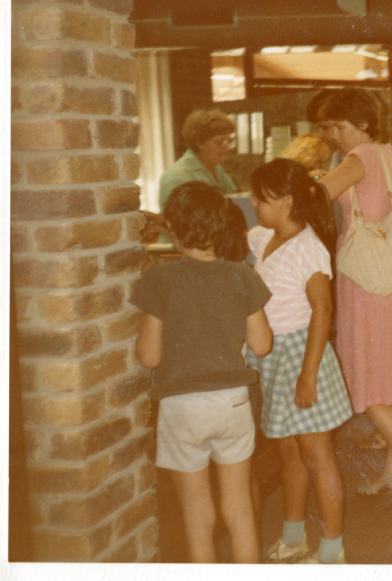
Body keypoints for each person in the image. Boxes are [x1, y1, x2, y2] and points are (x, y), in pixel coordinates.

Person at [131, 181, 273, 563]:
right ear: (223, 228)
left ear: (172, 229)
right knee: (240, 510)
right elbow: (262, 345)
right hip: (232, 404)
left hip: (182, 407)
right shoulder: (243, 275)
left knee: (197, 516)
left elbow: (149, 356)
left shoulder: (159, 279)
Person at [314, 87, 392, 497]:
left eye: (340, 126)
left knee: (367, 387)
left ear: (362, 124)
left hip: (365, 280)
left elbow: (317, 197)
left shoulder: (359, 157)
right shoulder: (388, 154)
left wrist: (310, 182)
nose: (334, 134)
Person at [246, 158, 354, 564]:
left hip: (302, 358)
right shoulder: (263, 238)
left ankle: (333, 552)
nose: (253, 203)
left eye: (261, 198)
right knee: (289, 453)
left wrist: (307, 375)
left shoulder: (308, 249)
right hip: (274, 358)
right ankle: (294, 536)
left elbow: (322, 313)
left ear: (287, 202)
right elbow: (225, 235)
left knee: (317, 455)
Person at [143, 109, 239, 243]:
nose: (227, 147)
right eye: (220, 142)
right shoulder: (178, 176)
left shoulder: (215, 168)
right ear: (199, 142)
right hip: (180, 253)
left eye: (229, 141)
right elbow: (180, 225)